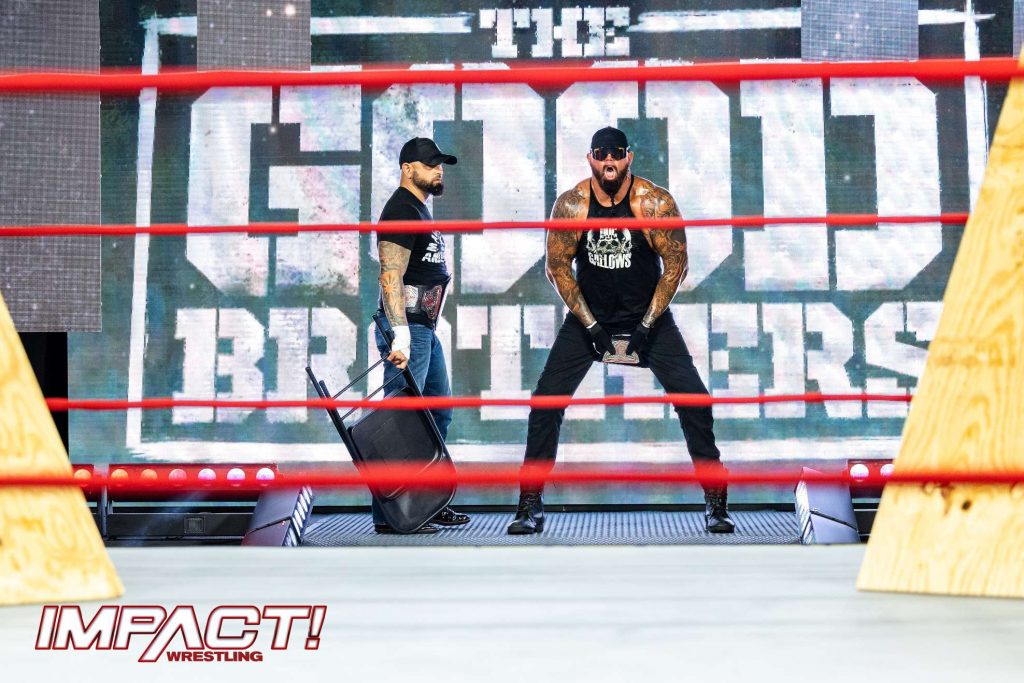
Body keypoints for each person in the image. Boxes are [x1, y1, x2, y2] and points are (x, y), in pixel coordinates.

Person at [507, 127, 735, 535]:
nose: (609, 161)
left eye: (616, 154)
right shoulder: (573, 205)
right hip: (588, 321)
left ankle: (716, 500)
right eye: (601, 154)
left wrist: (646, 326)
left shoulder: (653, 202)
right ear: (590, 158)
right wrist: (592, 326)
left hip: (648, 319)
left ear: (629, 156)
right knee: (545, 403)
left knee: (695, 401)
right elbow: (557, 268)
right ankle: (529, 502)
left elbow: (676, 266)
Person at [373, 136, 470, 534]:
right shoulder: (400, 209)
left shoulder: (418, 209)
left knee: (437, 413)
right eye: (431, 165)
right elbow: (390, 274)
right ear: (408, 169)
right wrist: (400, 334)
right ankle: (393, 515)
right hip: (407, 329)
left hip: (423, 329)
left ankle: (428, 502)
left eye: (440, 165)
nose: (438, 170)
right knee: (402, 422)